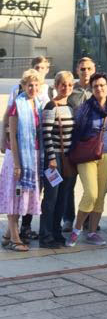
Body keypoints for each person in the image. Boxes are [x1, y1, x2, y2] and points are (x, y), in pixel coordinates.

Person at [66, 72, 107, 246]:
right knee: (91, 193)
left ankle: (93, 232)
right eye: (96, 86)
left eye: (102, 85)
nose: (99, 88)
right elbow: (76, 132)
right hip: (87, 155)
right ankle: (76, 230)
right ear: (91, 89)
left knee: (101, 196)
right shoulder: (84, 108)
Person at [0, 69, 44, 252]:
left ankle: (7, 234)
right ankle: (15, 238)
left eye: (36, 85)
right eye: (29, 85)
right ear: (23, 86)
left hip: (32, 156)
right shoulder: (17, 105)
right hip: (17, 157)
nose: (32, 88)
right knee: (14, 195)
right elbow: (14, 137)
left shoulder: (38, 105)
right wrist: (17, 163)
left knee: (22, 196)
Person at [39, 70, 75, 248]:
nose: (66, 88)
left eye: (69, 84)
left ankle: (56, 232)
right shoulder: (50, 106)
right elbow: (45, 133)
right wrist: (52, 158)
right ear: (56, 86)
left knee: (63, 197)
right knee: (51, 199)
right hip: (55, 159)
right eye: (63, 84)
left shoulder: (70, 107)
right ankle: (45, 236)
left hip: (68, 158)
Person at [63, 56, 96, 231]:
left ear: (94, 69)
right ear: (77, 70)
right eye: (82, 69)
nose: (86, 72)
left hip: (91, 146)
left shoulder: (98, 89)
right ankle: (68, 218)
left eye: (89, 68)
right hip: (72, 145)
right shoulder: (70, 91)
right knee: (69, 183)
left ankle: (90, 218)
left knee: (91, 185)